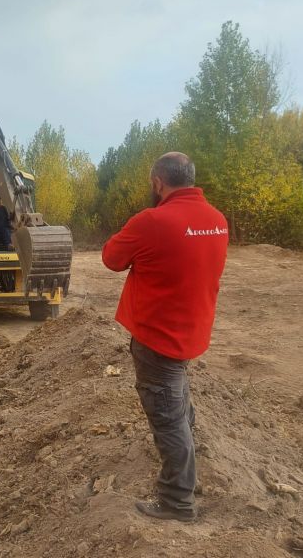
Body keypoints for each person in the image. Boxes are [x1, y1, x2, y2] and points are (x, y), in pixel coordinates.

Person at [102, 152, 228, 522]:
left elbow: (111, 258)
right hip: (191, 331)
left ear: (158, 183)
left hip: (158, 337)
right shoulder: (217, 221)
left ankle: (177, 500)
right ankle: (185, 473)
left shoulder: (152, 221)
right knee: (178, 405)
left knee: (168, 417)